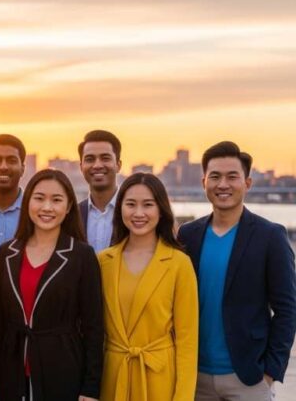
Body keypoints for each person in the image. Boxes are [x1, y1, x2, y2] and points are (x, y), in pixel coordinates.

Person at [178, 141, 296, 400]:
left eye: (232, 177)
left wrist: (271, 372)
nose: (223, 185)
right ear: (203, 182)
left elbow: (287, 309)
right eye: (215, 177)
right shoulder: (188, 235)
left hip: (248, 378)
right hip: (194, 377)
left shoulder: (270, 237)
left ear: (247, 183)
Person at [0, 169, 103, 401]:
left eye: (56, 200)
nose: (47, 207)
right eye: (39, 198)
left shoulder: (81, 255)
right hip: (10, 371)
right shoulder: (7, 252)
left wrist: (90, 388)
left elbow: (94, 328)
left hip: (62, 371)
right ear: (27, 203)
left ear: (69, 206)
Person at [99, 173, 198, 401]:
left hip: (160, 380)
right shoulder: (103, 261)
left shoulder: (179, 264)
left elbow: (187, 342)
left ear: (161, 210)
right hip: (113, 378)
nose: (139, 213)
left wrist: (182, 397)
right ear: (120, 208)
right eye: (131, 204)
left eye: (148, 205)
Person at [78, 130, 122, 253]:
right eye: (90, 159)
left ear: (118, 165)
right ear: (81, 166)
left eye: (105, 158)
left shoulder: (133, 213)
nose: (97, 165)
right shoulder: (72, 216)